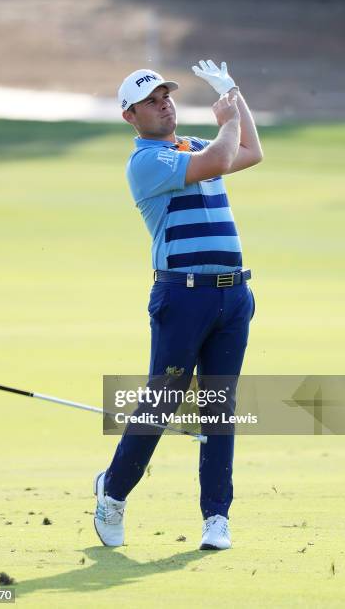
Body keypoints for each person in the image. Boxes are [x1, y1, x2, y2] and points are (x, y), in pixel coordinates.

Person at [93, 60, 263, 550]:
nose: (163, 103)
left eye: (165, 95)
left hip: (233, 296)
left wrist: (234, 93)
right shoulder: (147, 162)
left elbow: (249, 152)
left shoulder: (189, 144)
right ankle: (114, 492)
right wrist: (227, 121)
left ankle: (216, 517)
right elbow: (218, 159)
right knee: (161, 402)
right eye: (151, 100)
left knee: (218, 408)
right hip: (182, 296)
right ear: (131, 115)